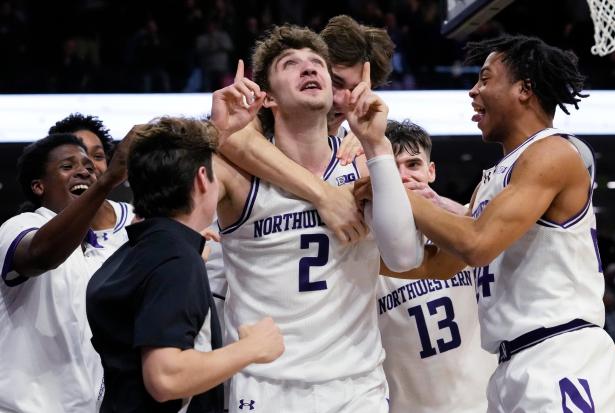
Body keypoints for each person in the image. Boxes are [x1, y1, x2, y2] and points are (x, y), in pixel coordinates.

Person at [373, 34, 615, 411]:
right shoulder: (494, 179)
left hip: (559, 356)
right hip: (510, 366)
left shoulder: (553, 152)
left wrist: (391, 187)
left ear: (524, 90)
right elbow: (443, 264)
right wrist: (355, 261)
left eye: (485, 79)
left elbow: (477, 243)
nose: (473, 91)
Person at [210, 24, 423, 412]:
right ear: (267, 97)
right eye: (291, 64)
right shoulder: (236, 173)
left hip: (355, 386)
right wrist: (216, 131)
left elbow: (404, 257)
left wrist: (377, 144)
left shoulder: (363, 163)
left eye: (317, 64)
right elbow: (162, 168)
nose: (309, 69)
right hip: (266, 385)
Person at [85, 117, 284, 413]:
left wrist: (185, 252)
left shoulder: (133, 252)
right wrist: (251, 348)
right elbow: (165, 377)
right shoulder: (174, 260)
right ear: (203, 179)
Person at [0, 131, 131, 412]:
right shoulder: (19, 226)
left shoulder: (99, 253)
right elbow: (40, 255)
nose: (84, 172)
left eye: (88, 166)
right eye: (67, 166)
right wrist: (107, 181)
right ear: (39, 187)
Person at [377, 119, 495, 413]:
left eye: (413, 165)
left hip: (487, 403)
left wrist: (443, 207)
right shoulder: (362, 248)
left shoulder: (470, 231)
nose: (404, 178)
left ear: (431, 171)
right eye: (392, 168)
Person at [49, 113, 135, 266]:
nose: (87, 168)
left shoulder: (136, 218)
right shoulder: (37, 228)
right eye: (70, 162)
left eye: (98, 156)